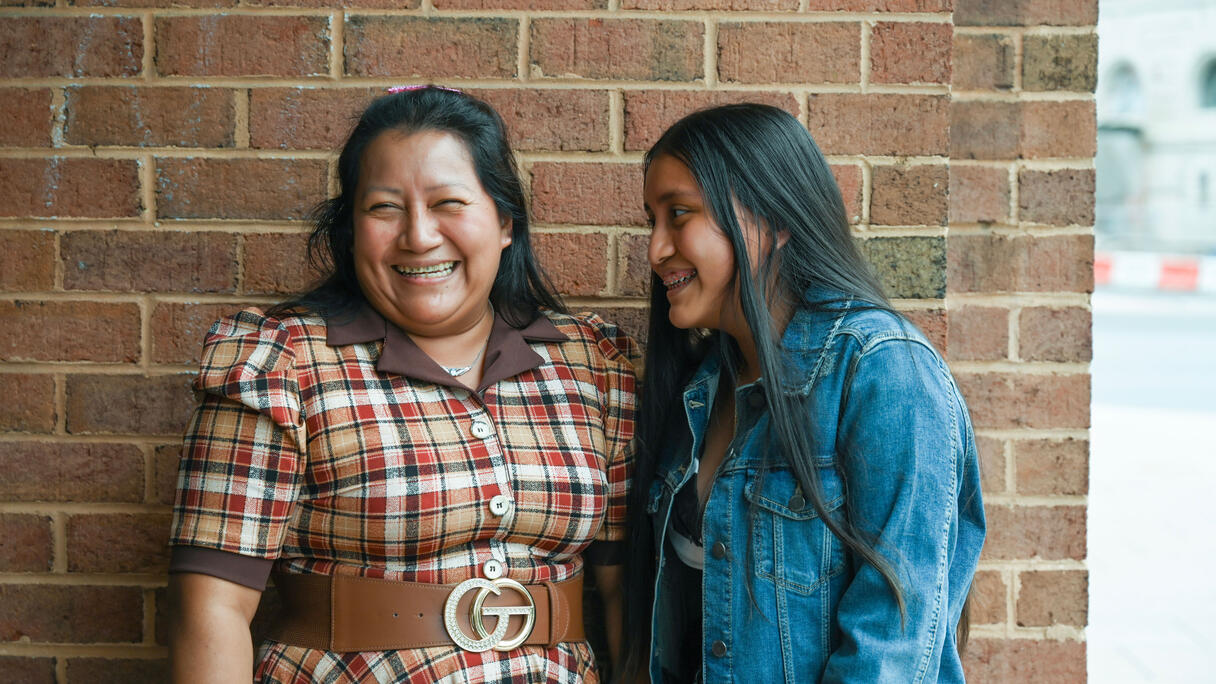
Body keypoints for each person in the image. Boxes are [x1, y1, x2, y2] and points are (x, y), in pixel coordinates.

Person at [167, 86, 637, 683]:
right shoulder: (279, 365)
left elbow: (626, 594)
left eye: (448, 202)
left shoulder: (590, 363)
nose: (418, 236)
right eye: (385, 208)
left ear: (505, 222)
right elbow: (212, 609)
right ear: (352, 228)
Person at [621, 104, 985, 683]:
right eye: (652, 221)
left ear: (775, 219)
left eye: (680, 215)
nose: (656, 250)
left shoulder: (882, 371)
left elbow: (891, 649)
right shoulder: (699, 393)